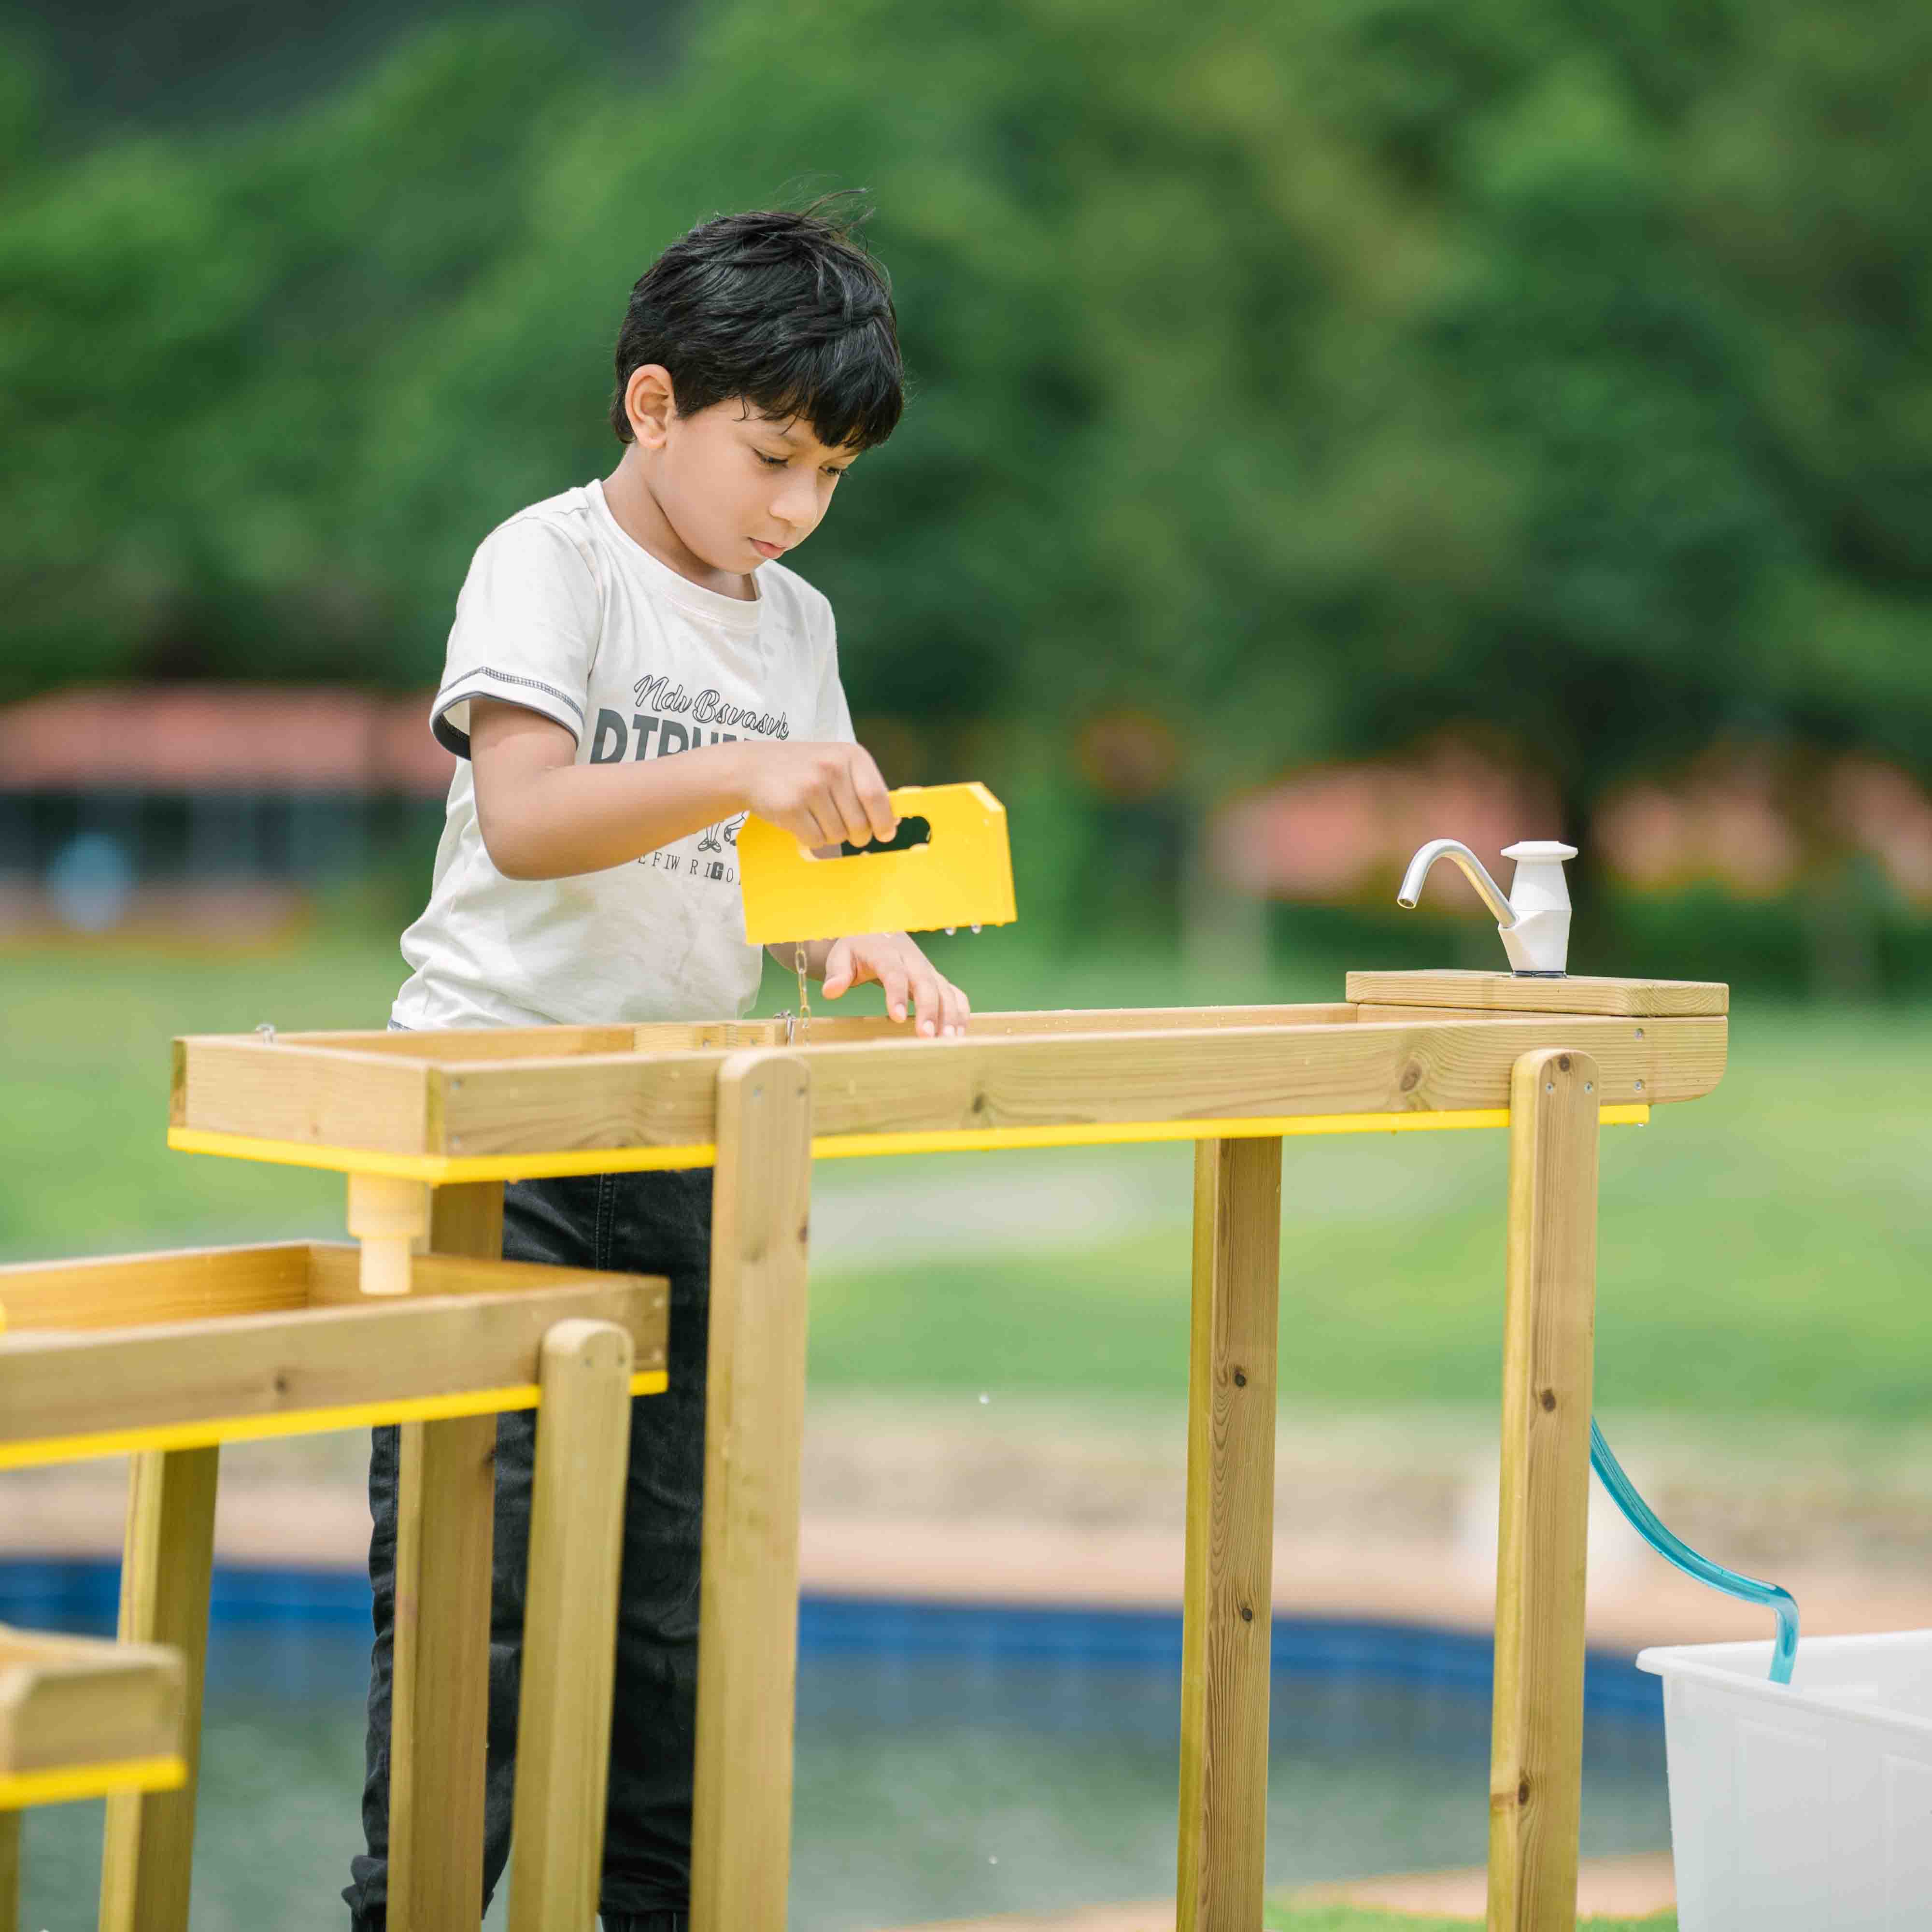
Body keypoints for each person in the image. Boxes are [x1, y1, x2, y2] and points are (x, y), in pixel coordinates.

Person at [344, 198, 969, 1932]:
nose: (794, 507)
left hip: (698, 1153)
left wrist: (869, 932)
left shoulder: (793, 622)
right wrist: (757, 771)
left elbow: (787, 882)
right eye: (772, 457)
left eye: (830, 475)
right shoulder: (545, 565)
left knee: (678, 1622)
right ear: (651, 407)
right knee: (484, 1619)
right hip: (498, 1148)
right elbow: (533, 821)